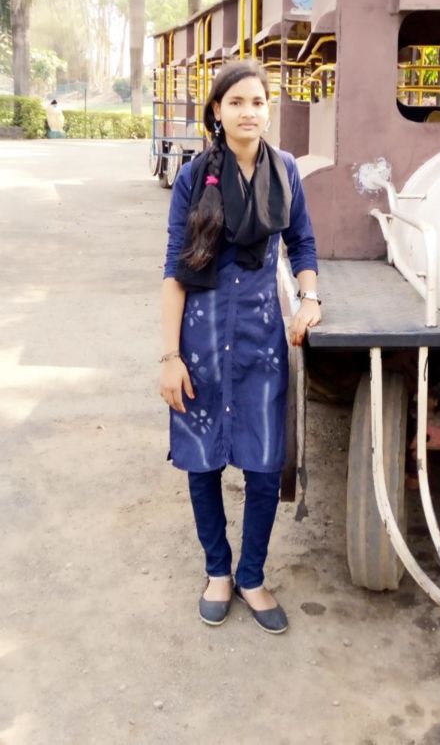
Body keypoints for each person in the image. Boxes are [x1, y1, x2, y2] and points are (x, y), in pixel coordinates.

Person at [159, 60, 320, 635]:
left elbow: (302, 242)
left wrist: (310, 298)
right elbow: (175, 267)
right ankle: (217, 572)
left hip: (260, 341)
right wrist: (170, 356)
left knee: (264, 461)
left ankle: (251, 576)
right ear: (217, 111)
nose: (248, 112)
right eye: (236, 102)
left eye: (257, 102)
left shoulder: (286, 171)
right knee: (201, 459)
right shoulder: (193, 177)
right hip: (201, 339)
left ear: (268, 110)